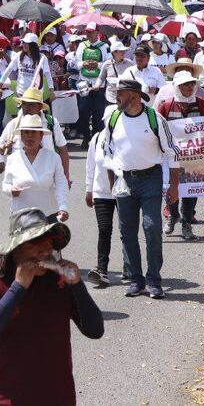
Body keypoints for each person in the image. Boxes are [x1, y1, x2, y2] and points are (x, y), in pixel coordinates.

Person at [0, 208, 104, 405]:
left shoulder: (60, 280)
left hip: (59, 398)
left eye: (49, 241)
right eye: (35, 242)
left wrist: (77, 285)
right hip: (10, 400)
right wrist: (18, 287)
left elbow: (95, 330)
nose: (45, 249)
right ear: (16, 248)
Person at [104, 79, 180, 298]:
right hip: (125, 180)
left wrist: (174, 186)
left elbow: (173, 152)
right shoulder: (113, 118)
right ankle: (136, 280)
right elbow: (107, 151)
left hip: (151, 179)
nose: (116, 97)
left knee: (152, 227)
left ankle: (154, 280)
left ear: (135, 96)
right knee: (127, 231)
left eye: (121, 93)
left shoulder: (155, 119)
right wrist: (113, 181)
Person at [157, 70, 204, 240]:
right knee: (171, 188)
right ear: (177, 87)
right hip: (171, 157)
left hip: (194, 156)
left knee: (191, 190)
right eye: (185, 84)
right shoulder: (166, 105)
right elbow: (157, 127)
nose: (189, 87)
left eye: (192, 84)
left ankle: (186, 222)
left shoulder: (201, 103)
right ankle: (173, 215)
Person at [0, 87, 71, 183]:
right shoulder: (14, 124)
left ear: (40, 107)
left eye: (31, 104)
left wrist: (66, 177)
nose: (26, 108)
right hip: (21, 178)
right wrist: (0, 156)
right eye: (24, 104)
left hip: (48, 178)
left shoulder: (51, 123)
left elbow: (62, 150)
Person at [1, 114, 69, 221]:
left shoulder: (53, 157)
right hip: (20, 216)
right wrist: (10, 190)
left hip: (48, 214)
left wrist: (63, 207)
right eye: (26, 132)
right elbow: (6, 184)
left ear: (41, 135)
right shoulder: (13, 158)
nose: (30, 136)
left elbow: (61, 182)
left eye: (34, 132)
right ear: (21, 136)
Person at [84, 121, 117, 288]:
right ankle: (102, 270)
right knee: (104, 230)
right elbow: (90, 164)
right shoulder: (97, 138)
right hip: (101, 192)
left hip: (124, 191)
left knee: (127, 230)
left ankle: (130, 267)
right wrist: (89, 189)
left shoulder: (125, 136)